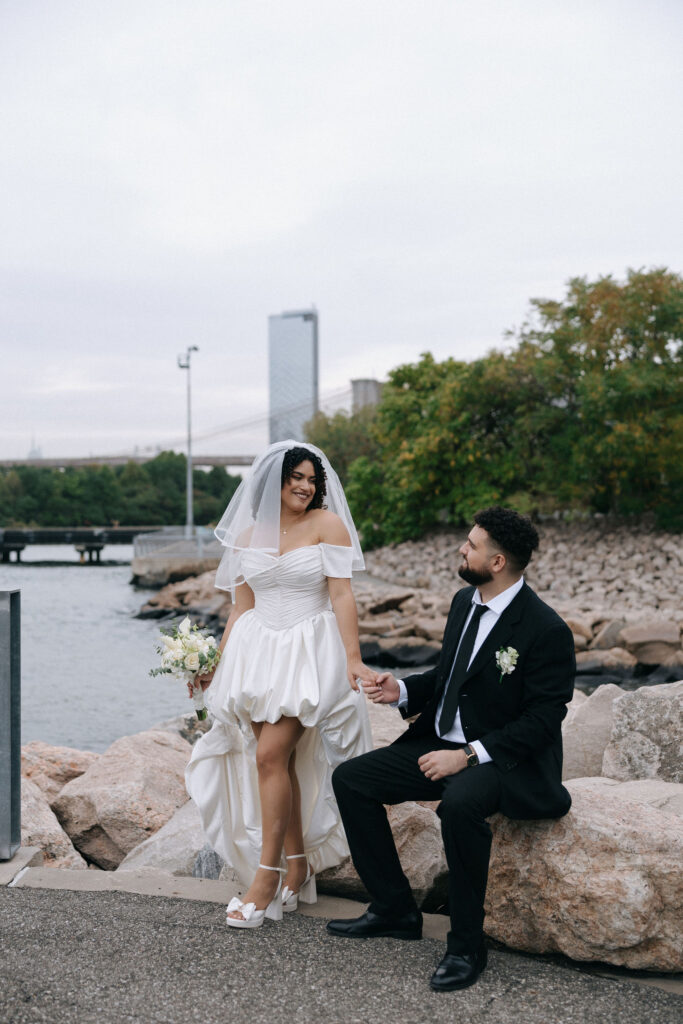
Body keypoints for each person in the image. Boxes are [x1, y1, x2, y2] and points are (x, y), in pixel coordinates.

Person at [326, 506, 575, 991]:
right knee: (352, 780)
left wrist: (466, 756)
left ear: (498, 562)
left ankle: (465, 946)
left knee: (459, 806)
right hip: (440, 742)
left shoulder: (546, 630)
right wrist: (401, 690)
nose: (462, 548)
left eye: (471, 544)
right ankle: (395, 909)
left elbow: (543, 722)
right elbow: (449, 678)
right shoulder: (465, 602)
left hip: (504, 759)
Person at [185, 440, 375, 928]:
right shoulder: (249, 534)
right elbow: (240, 606)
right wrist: (215, 663)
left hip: (307, 651)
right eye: (297, 477)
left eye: (313, 479)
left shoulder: (326, 525)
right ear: (274, 481)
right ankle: (296, 866)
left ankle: (264, 881)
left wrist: (353, 658)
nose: (306, 486)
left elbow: (341, 594)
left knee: (268, 756)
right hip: (256, 653)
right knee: (279, 763)